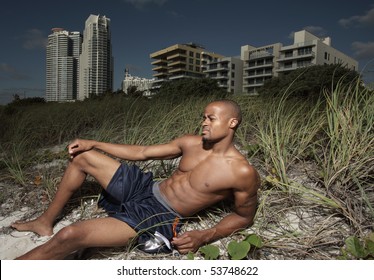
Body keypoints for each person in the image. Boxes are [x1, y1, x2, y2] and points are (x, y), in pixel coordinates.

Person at [11, 99, 260, 260]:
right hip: (145, 188)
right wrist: (94, 143)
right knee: (83, 157)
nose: (203, 123)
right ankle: (44, 221)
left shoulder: (241, 172)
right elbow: (142, 153)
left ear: (232, 123)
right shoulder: (191, 142)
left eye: (211, 119)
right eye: (203, 117)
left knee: (69, 235)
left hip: (157, 215)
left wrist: (204, 236)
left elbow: (243, 217)